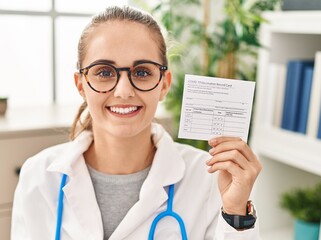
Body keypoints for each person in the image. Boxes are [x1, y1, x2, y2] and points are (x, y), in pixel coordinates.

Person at [11, 5, 262, 240]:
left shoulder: (208, 179)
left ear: (164, 84)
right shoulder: (38, 178)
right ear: (81, 84)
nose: (123, 91)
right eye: (104, 72)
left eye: (142, 72)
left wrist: (235, 213)